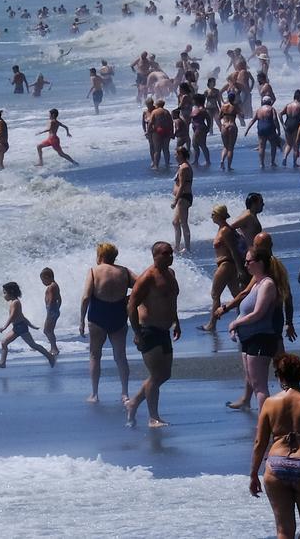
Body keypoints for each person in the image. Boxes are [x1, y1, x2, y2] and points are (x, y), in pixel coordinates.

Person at [250, 354, 300, 539]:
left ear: (279, 375)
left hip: (276, 465)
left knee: (283, 532)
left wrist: (254, 473)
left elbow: (260, 442)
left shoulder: (270, 403)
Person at [217, 246, 281, 411]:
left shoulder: (267, 284)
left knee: (260, 386)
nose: (245, 265)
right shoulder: (256, 284)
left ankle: (265, 423)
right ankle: (264, 419)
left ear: (259, 262)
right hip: (248, 339)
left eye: (248, 262)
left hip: (261, 338)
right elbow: (245, 309)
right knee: (253, 382)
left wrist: (236, 324)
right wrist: (235, 325)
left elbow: (258, 313)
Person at [126, 242, 182, 428]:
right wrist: (136, 333)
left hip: (164, 329)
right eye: (166, 254)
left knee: (165, 374)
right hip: (148, 330)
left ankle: (134, 402)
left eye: (171, 253)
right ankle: (153, 418)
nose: (170, 256)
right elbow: (131, 305)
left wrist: (176, 322)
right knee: (156, 374)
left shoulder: (171, 274)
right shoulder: (147, 278)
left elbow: (171, 301)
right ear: (155, 256)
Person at [80, 242, 135, 403]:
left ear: (101, 256)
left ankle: (95, 394)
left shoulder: (93, 271)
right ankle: (125, 393)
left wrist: (81, 320)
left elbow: (85, 297)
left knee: (95, 355)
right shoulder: (124, 271)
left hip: (98, 315)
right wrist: (129, 299)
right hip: (118, 314)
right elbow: (141, 284)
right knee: (120, 356)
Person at [0, 282, 55, 368]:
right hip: (17, 327)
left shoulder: (16, 303)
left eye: (5, 293)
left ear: (11, 292)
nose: (4, 295)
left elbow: (12, 317)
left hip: (21, 327)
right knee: (4, 343)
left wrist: (4, 327)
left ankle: (50, 356)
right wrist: (31, 325)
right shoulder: (13, 302)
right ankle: (2, 363)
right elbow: (21, 316)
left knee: (33, 345)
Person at [171, 146, 193, 254]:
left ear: (181, 155)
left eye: (176, 154)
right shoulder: (181, 167)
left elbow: (182, 185)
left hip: (183, 197)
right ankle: (177, 246)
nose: (175, 156)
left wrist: (175, 200)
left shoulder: (184, 168)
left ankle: (187, 248)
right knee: (175, 222)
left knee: (183, 222)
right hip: (181, 197)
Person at [39, 267, 61, 356]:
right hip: (54, 310)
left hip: (51, 311)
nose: (42, 282)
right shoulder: (55, 285)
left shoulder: (51, 286)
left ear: (47, 277)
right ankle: (53, 347)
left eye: (43, 280)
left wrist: (50, 311)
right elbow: (60, 299)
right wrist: (57, 308)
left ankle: (54, 348)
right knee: (49, 330)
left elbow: (51, 299)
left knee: (47, 330)